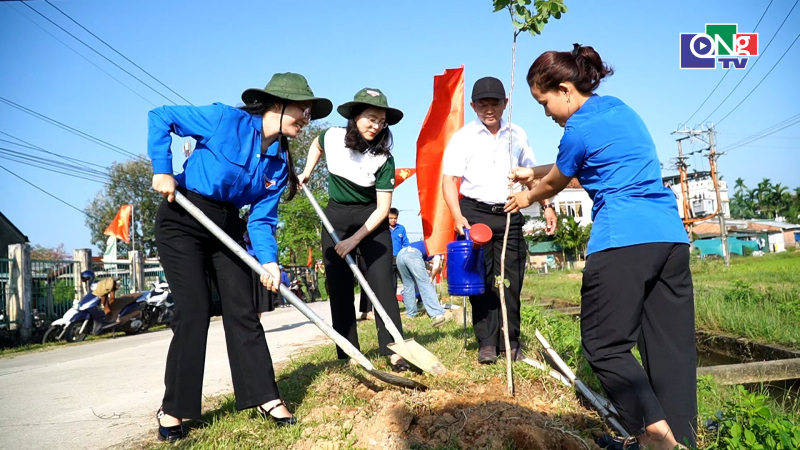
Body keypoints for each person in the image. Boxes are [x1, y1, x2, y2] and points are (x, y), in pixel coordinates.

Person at [505, 44, 696, 449]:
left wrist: (527, 195)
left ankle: (657, 440)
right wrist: (531, 172)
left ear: (564, 89)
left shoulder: (576, 129)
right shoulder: (618, 109)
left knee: (604, 345)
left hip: (623, 240)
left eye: (545, 103)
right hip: (669, 237)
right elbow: (579, 164)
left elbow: (558, 180)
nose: (547, 114)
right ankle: (683, 441)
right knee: (670, 349)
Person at [148, 72, 331, 441]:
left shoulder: (279, 163)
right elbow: (160, 115)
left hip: (227, 227)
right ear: (276, 105)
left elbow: (262, 220)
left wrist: (270, 262)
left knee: (243, 309)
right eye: (302, 110)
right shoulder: (224, 119)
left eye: (310, 114)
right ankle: (174, 409)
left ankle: (264, 396)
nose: (306, 120)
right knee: (194, 310)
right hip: (183, 216)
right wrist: (163, 169)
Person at [442, 76, 557, 365]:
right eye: (483, 103)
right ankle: (487, 342)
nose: (489, 109)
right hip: (475, 215)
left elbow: (532, 175)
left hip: (510, 212)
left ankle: (511, 340)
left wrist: (547, 206)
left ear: (505, 103)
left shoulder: (517, 134)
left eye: (495, 102)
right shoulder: (463, 137)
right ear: (473, 105)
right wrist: (457, 216)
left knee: (511, 280)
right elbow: (449, 180)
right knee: (480, 281)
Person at [298, 87, 409, 372]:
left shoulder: (384, 158)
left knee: (383, 283)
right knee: (339, 287)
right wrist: (308, 171)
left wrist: (354, 240)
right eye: (370, 118)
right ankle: (348, 354)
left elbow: (383, 209)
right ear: (355, 117)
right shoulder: (333, 136)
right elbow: (316, 145)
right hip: (336, 214)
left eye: (381, 121)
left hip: (372, 219)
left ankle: (395, 350)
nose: (375, 126)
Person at [396, 240, 446, 327]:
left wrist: (433, 270)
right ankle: (437, 313)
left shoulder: (424, 244)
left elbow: (421, 264)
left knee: (408, 285)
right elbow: (436, 265)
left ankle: (410, 314)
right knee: (425, 284)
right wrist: (431, 277)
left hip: (400, 255)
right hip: (413, 255)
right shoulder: (438, 249)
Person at [389, 207, 409, 296]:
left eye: (395, 218)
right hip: (389, 259)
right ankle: (392, 304)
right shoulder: (384, 230)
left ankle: (413, 299)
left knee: (407, 280)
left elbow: (405, 243)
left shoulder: (401, 228)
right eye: (390, 218)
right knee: (392, 284)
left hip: (399, 258)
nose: (393, 220)